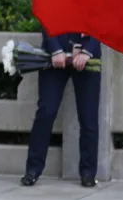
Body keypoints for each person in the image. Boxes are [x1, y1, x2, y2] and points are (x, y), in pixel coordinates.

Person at [21, 31, 101, 188]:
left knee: (88, 116)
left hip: (88, 57)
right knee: (46, 112)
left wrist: (87, 51)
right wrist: (56, 49)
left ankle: (88, 172)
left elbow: (103, 24)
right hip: (54, 56)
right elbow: (46, 18)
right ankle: (33, 169)